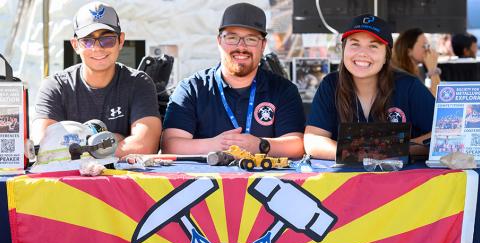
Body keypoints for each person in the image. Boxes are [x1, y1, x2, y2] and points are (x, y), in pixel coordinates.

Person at [161, 3, 305, 158]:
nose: (241, 46)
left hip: (268, 181)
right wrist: (217, 144)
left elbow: (297, 145)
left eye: (251, 39)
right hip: (204, 181)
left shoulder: (283, 89)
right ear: (219, 41)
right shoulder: (191, 88)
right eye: (232, 38)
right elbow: (170, 145)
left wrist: (259, 145)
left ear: (263, 45)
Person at [33, 1, 161, 157]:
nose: (97, 48)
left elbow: (145, 145)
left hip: (122, 180)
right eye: (87, 41)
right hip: (68, 180)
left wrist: (77, 148)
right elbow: (45, 147)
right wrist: (113, 140)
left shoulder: (139, 82)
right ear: (75, 45)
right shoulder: (55, 86)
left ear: (121, 41)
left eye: (107, 40)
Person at [304, 14, 434, 160]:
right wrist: (365, 152)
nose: (362, 53)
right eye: (355, 44)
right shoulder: (330, 84)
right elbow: (313, 141)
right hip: (344, 181)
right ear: (344, 49)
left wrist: (393, 149)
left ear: (386, 55)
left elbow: (442, 134)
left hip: (403, 180)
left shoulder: (409, 86)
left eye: (373, 46)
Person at [392, 28, 441, 96]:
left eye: (428, 46)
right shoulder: (402, 77)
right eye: (424, 46)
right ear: (409, 51)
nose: (428, 50)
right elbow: (437, 98)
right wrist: (433, 68)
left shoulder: (417, 71)